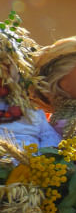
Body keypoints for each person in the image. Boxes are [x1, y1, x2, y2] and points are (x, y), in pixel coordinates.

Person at [0, 14, 60, 149]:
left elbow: (50, 139)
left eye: (4, 66)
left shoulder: (30, 112)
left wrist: (46, 157)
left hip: (32, 165)